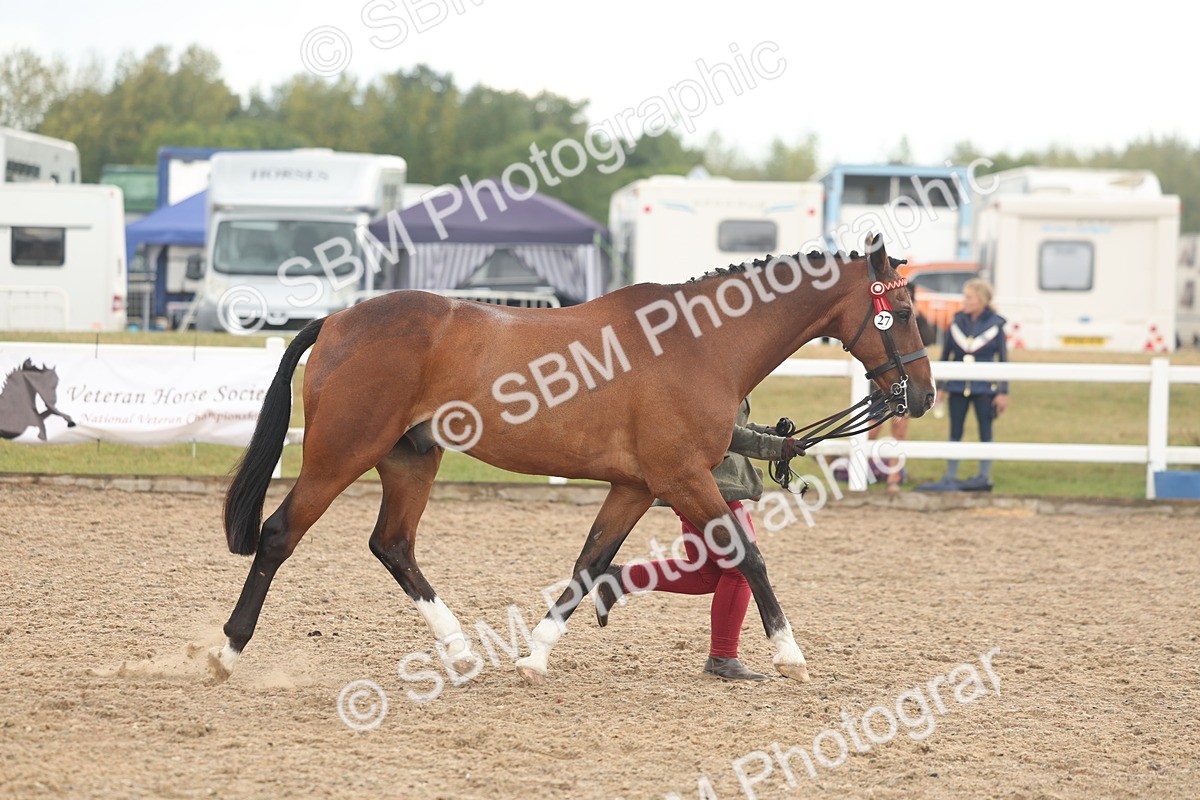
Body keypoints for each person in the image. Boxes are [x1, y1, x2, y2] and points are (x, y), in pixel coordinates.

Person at [594, 397, 803, 682]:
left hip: (703, 487)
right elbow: (716, 431)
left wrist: (769, 433)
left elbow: (730, 427)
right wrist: (775, 448)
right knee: (742, 570)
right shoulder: (713, 368)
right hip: (708, 490)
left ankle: (618, 580)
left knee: (706, 575)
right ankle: (723, 658)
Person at [918, 278, 1009, 492]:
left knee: (985, 432)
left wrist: (1003, 391)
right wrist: (940, 387)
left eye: (968, 297)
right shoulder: (957, 321)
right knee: (954, 431)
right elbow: (946, 355)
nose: (964, 301)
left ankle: (983, 477)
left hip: (985, 388)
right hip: (957, 386)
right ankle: (950, 476)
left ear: (981, 299)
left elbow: (1003, 360)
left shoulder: (996, 324)